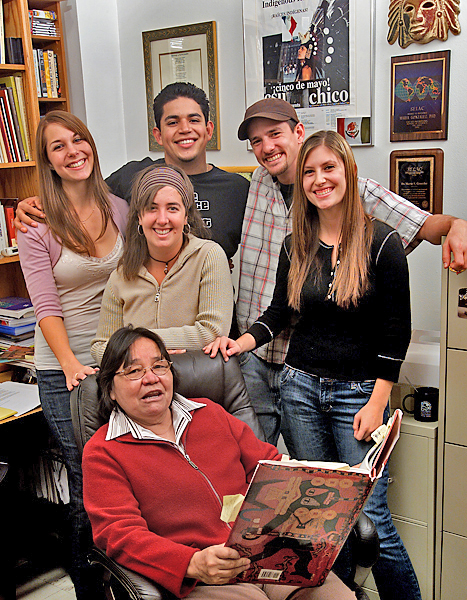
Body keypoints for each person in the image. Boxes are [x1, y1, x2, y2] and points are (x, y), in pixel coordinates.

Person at [204, 130, 415, 600]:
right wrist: (241, 342)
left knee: (372, 520)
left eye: (329, 168)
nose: (320, 180)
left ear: (348, 172)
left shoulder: (383, 245)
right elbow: (279, 313)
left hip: (358, 396)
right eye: (310, 172)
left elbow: (395, 333)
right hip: (299, 389)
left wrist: (378, 402)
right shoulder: (294, 243)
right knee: (321, 524)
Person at [234, 97, 467, 447]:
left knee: (362, 494)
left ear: (298, 131)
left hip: (337, 373)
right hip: (259, 358)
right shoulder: (258, 184)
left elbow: (423, 226)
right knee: (275, 476)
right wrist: (237, 343)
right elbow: (277, 307)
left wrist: (457, 224)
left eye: (274, 133)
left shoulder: (356, 198)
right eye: (256, 141)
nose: (267, 147)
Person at [82, 325, 356, 600]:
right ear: (110, 389)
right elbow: (120, 535)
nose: (151, 378)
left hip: (271, 557)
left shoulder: (210, 412)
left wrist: (335, 486)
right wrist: (192, 563)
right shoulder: (103, 451)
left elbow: (271, 466)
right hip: (202, 578)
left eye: (159, 366)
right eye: (133, 371)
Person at [16, 111, 129, 600]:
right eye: (57, 147)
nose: (72, 151)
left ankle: (125, 576)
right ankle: (88, 587)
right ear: (48, 162)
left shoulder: (121, 207)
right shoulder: (37, 222)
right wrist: (69, 365)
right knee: (87, 478)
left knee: (125, 471)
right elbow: (45, 305)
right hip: (65, 365)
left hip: (116, 360)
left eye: (77, 139)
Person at [15, 82, 249, 264]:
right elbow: (82, 194)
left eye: (193, 120)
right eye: (173, 122)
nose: (184, 129)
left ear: (208, 130)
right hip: (150, 312)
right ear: (157, 135)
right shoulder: (134, 176)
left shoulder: (238, 189)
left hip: (216, 309)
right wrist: (34, 204)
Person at [90, 164, 233, 363]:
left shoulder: (209, 256)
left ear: (186, 216)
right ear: (139, 217)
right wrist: (154, 348)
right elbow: (100, 348)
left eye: (172, 208)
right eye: (152, 209)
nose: (162, 219)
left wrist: (136, 344)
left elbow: (211, 331)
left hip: (197, 384)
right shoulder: (122, 275)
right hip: (140, 387)